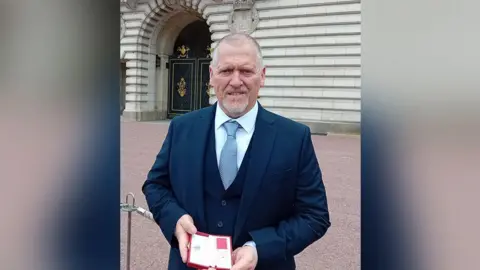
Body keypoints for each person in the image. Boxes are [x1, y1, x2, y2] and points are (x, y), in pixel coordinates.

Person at [142, 33, 330, 270]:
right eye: (226, 70)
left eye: (246, 71)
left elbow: (315, 215)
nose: (236, 81)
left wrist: (258, 248)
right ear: (211, 76)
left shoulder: (294, 137)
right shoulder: (182, 128)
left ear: (262, 76)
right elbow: (155, 185)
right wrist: (175, 219)